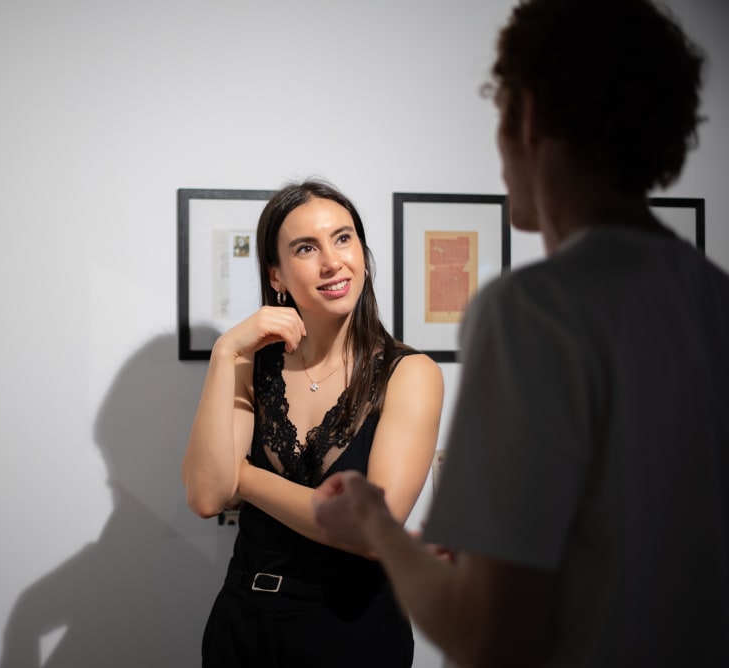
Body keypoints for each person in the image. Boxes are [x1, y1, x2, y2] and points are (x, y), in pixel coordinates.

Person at [311, 1, 729, 666]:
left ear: (527, 117)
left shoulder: (535, 308)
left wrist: (377, 526)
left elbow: (489, 635)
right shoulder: (714, 298)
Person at [182, 179, 445, 667]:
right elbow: (204, 495)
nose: (332, 262)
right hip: (242, 621)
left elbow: (371, 535)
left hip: (352, 631)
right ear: (276, 276)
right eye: (306, 248)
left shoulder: (410, 374)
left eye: (343, 238)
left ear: (363, 254)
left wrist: (244, 476)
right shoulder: (247, 365)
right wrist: (224, 353)